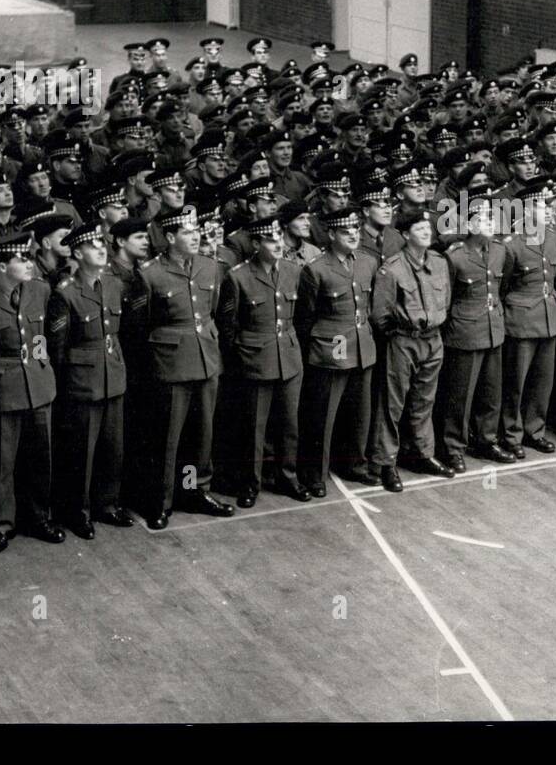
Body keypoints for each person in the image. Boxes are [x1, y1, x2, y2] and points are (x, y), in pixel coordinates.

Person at [127, 208, 235, 528]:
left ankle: (193, 490)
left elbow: (211, 313)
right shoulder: (149, 274)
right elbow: (137, 327)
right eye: (187, 233)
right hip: (170, 366)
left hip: (205, 361)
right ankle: (161, 500)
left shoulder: (210, 267)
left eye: (197, 230)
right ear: (171, 238)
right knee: (167, 440)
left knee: (198, 437)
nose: (196, 236)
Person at [0, 233, 66, 552]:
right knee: (1, 463)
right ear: (2, 267)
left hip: (37, 385)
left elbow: (43, 336)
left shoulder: (40, 290)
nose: (28, 264)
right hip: (1, 390)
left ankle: (38, 517)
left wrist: (41, 365)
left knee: (40, 458)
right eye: (21, 259)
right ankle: (0, 524)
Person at [46, 224, 135, 538]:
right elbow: (57, 348)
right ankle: (77, 512)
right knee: (80, 454)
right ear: (78, 253)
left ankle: (106, 505)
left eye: (102, 243)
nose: (101, 248)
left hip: (113, 375)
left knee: (113, 448)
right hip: (82, 382)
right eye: (92, 245)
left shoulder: (112, 284)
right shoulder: (65, 292)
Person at [217, 217, 308, 505]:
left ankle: (287, 477)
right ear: (256, 244)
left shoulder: (294, 271)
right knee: (253, 429)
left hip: (289, 358)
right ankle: (250, 483)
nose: (278, 243)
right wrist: (241, 360)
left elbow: (303, 317)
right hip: (255, 359)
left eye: (279, 237)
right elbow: (228, 327)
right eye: (270, 239)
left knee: (289, 425)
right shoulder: (238, 276)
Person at [295, 206, 380, 494]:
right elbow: (305, 318)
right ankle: (314, 474)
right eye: (346, 231)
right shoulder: (316, 269)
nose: (354, 234)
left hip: (361, 347)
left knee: (360, 414)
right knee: (322, 418)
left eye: (356, 229)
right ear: (331, 234)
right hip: (331, 350)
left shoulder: (368, 262)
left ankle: (355, 464)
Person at [368, 209, 455, 491]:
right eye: (419, 229)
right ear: (405, 235)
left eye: (428, 228)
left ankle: (422, 453)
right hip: (403, 340)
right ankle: (385, 462)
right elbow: (380, 314)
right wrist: (400, 336)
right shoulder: (391, 268)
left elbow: (446, 302)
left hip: (433, 339)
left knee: (423, 401)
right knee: (392, 404)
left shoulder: (440, 263)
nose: (427, 232)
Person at [437, 193, 513, 467]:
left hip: (493, 328)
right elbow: (447, 298)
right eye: (483, 218)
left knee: (491, 392)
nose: (490, 222)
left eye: (492, 217)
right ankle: (453, 447)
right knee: (460, 396)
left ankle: (486, 440)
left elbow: (500, 289)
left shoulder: (500, 250)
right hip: (465, 332)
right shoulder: (455, 257)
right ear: (469, 225)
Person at [498, 176, 556, 456]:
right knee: (516, 384)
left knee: (542, 383)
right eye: (541, 205)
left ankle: (534, 431)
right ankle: (511, 435)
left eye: (550, 205)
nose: (548, 210)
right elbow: (503, 287)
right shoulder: (511, 245)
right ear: (525, 210)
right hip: (521, 321)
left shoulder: (555, 238)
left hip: (548, 319)